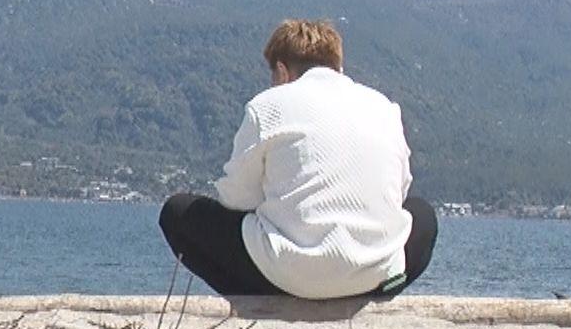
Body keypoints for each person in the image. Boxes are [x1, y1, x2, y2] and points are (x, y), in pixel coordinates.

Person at [159, 19, 437, 299]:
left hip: (286, 275)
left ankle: (259, 299)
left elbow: (236, 199)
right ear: (338, 67)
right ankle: (368, 294)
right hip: (371, 276)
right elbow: (398, 195)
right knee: (422, 214)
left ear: (281, 71)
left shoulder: (267, 106)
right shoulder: (384, 108)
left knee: (177, 212)